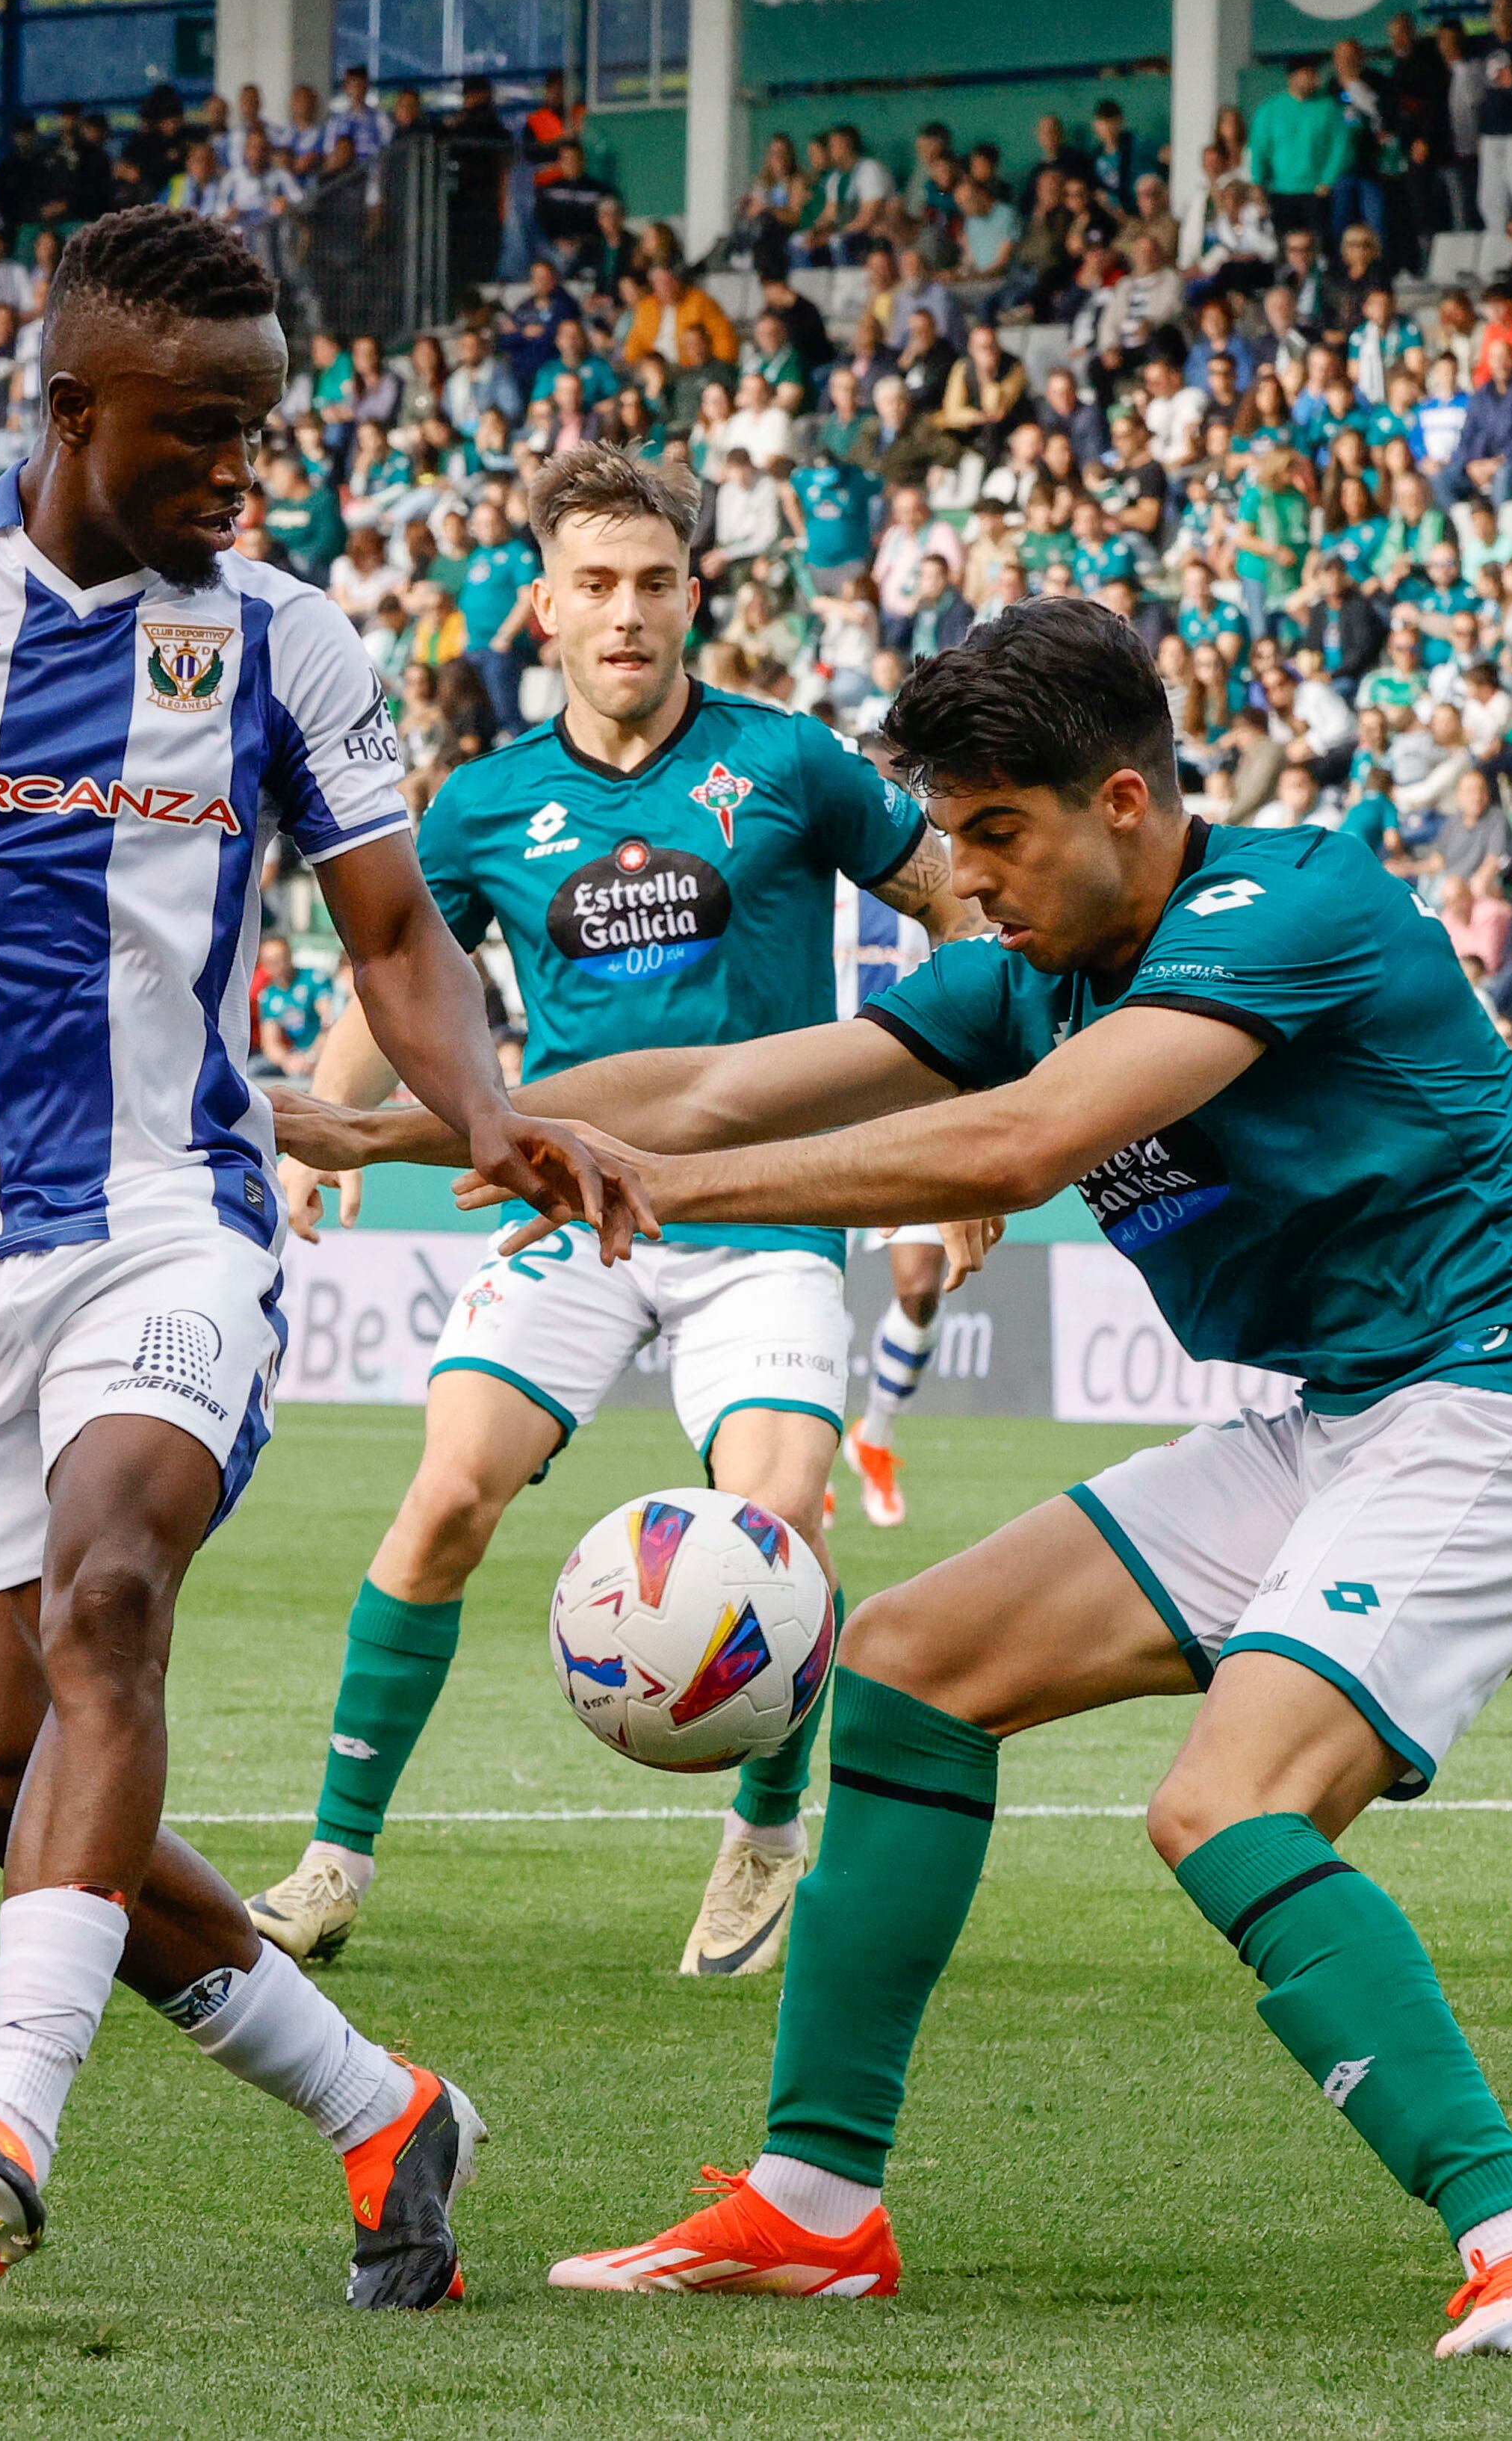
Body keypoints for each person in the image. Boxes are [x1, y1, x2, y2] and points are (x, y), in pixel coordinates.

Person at [278, 601, 1512, 2354]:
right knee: (907, 1667)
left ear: (1125, 803)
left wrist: (659, 1187)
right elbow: (715, 1082)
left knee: (1224, 1804)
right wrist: (409, 1123)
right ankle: (812, 2203)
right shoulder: (1029, 968)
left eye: (997, 834)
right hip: (1346, 1415)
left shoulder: (1292, 902)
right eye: (948, 835)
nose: (966, 875)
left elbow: (1025, 1139)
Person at [0, 205, 639, 2308]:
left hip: (174, 1226)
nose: (239, 469)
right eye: (199, 427)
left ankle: (11, 2114)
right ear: (76, 407)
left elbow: (391, 934)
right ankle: (382, 2105)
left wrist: (486, 1103)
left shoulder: (286, 638)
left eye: (258, 426)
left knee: (111, 1595)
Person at [244, 443, 981, 1981]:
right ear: (544, 608)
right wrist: (322, 1126)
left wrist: (951, 1124)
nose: (626, 612)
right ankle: (332, 1854)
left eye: (652, 581)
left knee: (775, 1508)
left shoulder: (789, 763)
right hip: (569, 1207)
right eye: (594, 584)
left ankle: (768, 1827)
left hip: (766, 1207)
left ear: (691, 593)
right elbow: (403, 969)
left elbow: (958, 903)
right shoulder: (485, 803)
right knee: (448, 1491)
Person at [834, 864, 1000, 1529]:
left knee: (921, 1289)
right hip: (821, 1101)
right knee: (810, 1283)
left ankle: (875, 1434)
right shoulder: (821, 879)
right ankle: (805, 1453)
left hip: (920, 1101)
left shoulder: (946, 881)